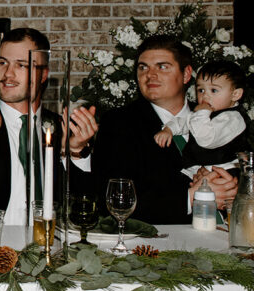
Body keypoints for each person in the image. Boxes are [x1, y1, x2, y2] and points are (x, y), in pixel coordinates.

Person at [0, 28, 98, 225]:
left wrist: (75, 152)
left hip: (50, 246)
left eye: (21, 65)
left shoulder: (61, 128)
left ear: (43, 75)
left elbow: (83, 211)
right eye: (2, 63)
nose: (8, 74)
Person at [93, 35, 238, 223]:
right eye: (143, 67)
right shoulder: (119, 123)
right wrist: (190, 198)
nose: (150, 75)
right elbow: (113, 199)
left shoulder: (220, 115)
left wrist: (233, 189)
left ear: (186, 74)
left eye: (162, 67)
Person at [154, 59, 249, 178]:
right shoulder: (205, 113)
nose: (205, 95)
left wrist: (202, 112)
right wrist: (169, 129)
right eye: (201, 90)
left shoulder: (233, 118)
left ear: (235, 94)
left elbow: (206, 139)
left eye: (214, 90)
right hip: (200, 169)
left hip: (224, 172)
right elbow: (186, 121)